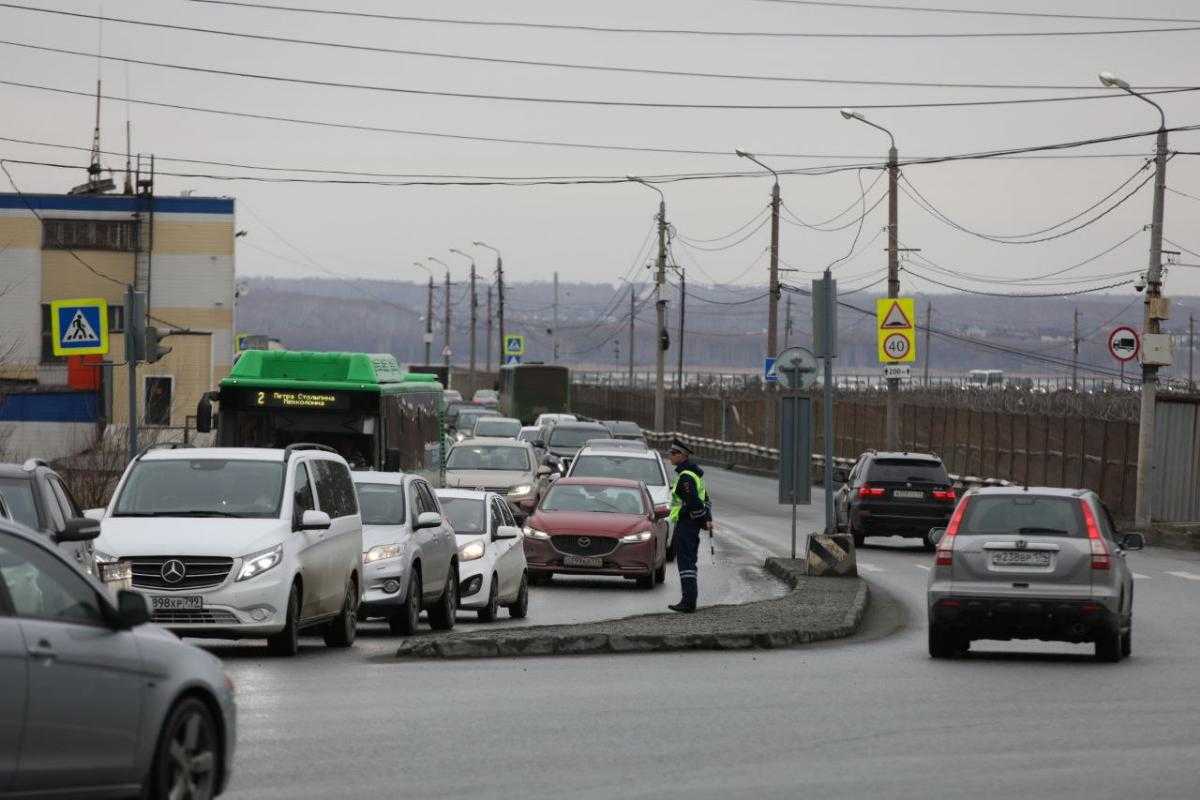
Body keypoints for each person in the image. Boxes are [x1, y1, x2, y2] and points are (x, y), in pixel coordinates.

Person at [666, 439, 711, 614]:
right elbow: (705, 500)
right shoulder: (692, 474)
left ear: (682, 455)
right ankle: (688, 600)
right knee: (688, 561)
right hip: (689, 523)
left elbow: (694, 502)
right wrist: (706, 519)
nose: (670, 456)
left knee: (686, 562)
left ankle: (688, 601)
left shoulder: (686, 476)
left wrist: (700, 520)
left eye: (673, 453)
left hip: (687, 524)